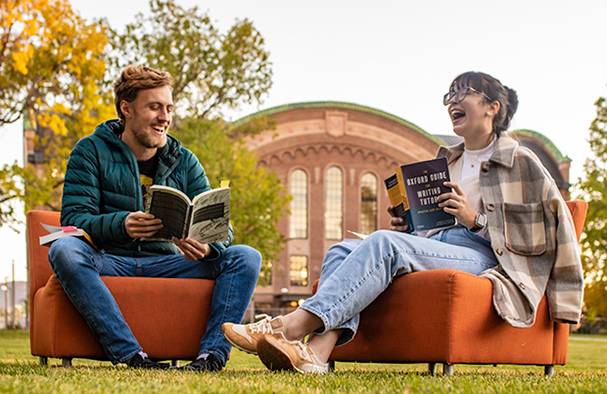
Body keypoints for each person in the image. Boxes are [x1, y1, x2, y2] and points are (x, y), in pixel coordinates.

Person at [222, 71, 584, 374]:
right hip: (444, 245)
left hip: (489, 260)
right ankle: (316, 354)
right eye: (449, 94)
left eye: (464, 93)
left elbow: (553, 230)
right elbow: (435, 231)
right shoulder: (448, 162)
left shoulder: (521, 162)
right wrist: (410, 226)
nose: (451, 101)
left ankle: (286, 327)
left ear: (493, 107)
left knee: (383, 244)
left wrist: (475, 220)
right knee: (342, 250)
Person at [48, 65, 261, 371]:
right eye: (154, 107)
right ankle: (132, 356)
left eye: (169, 108)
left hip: (169, 263)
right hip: (110, 259)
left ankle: (210, 357)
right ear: (127, 108)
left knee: (246, 257)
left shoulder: (184, 160)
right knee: (64, 251)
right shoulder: (90, 151)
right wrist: (122, 224)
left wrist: (207, 245)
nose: (165, 117)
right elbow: (73, 219)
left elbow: (222, 229)